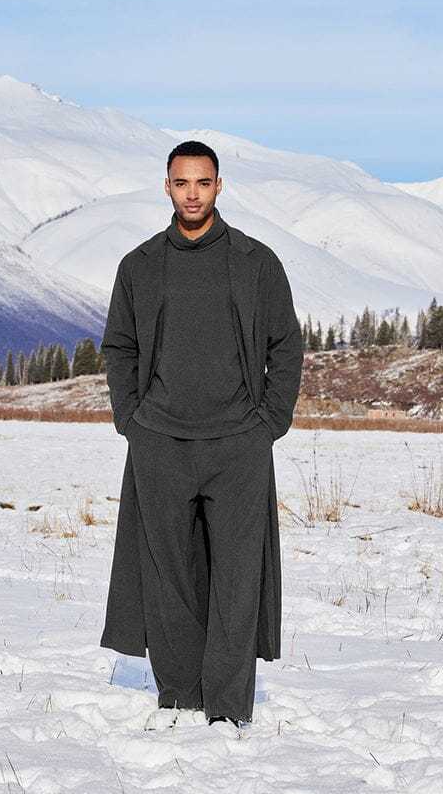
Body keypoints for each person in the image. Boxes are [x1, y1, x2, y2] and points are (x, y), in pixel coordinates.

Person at [99, 139, 303, 731]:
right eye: (182, 182)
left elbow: (286, 346)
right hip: (159, 442)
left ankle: (228, 707)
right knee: (169, 576)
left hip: (238, 444)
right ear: (166, 186)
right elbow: (119, 347)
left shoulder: (255, 262)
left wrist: (269, 423)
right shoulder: (139, 265)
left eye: (203, 182)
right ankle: (180, 695)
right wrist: (131, 419)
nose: (192, 194)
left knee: (237, 579)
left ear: (219, 186)